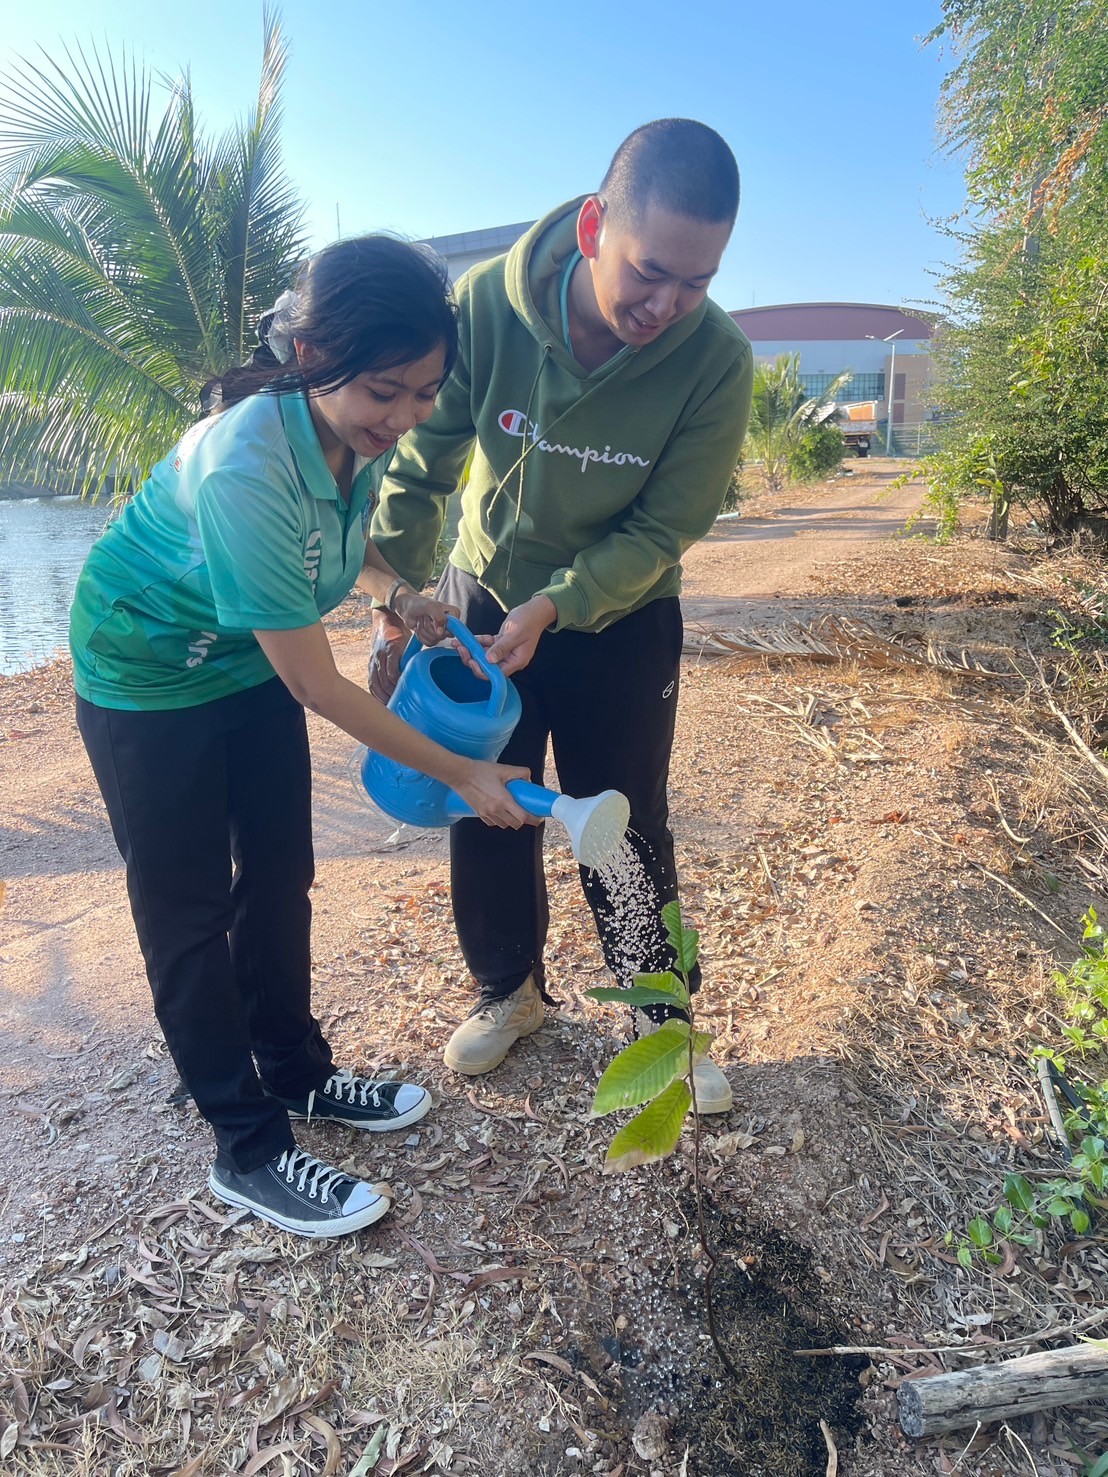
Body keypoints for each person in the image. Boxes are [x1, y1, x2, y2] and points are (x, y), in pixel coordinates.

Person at [70, 236, 534, 1240]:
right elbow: (317, 683)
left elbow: (342, 536)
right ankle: (247, 1145)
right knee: (189, 914)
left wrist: (398, 594)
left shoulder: (347, 437)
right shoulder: (246, 463)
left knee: (278, 877)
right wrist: (463, 770)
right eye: (384, 392)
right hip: (147, 676)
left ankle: (299, 1073)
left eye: (423, 394)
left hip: (238, 658)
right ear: (314, 353)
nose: (403, 419)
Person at [369, 120, 754, 1112]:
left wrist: (561, 603)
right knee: (483, 798)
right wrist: (391, 602)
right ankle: (509, 990)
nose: (665, 306)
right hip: (482, 593)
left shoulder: (713, 362)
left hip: (619, 613)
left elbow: (665, 528)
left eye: (697, 282)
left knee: (625, 824)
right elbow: (421, 466)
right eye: (650, 272)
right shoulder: (485, 310)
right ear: (594, 227)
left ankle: (660, 1025)